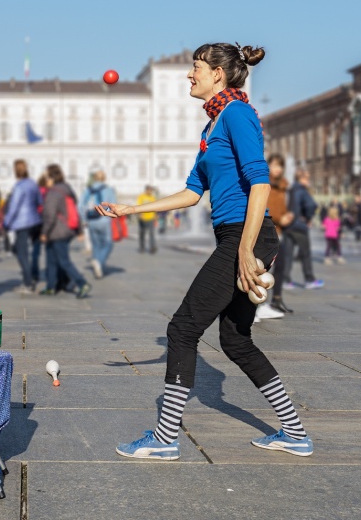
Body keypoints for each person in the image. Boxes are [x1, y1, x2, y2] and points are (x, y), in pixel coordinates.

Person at [98, 42, 312, 460]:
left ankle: (164, 439)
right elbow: (192, 193)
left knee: (181, 329)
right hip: (237, 238)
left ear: (219, 73)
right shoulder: (211, 128)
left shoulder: (238, 114)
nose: (189, 75)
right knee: (235, 342)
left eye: (196, 67)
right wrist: (132, 207)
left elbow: (260, 183)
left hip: (245, 237)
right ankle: (295, 432)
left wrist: (246, 250)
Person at [40, 164, 91, 299]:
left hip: (57, 231)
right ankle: (51, 286)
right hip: (66, 229)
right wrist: (79, 229)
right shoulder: (67, 189)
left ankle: (82, 283)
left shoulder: (53, 192)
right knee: (51, 258)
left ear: (52, 177)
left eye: (47, 177)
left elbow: (49, 215)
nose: (45, 179)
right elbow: (75, 210)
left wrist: (44, 232)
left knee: (63, 261)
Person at [3, 160, 42, 293]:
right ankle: (33, 276)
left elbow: (13, 207)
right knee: (29, 252)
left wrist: (6, 222)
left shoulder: (19, 186)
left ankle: (28, 283)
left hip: (21, 223)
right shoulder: (33, 184)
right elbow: (39, 201)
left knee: (21, 253)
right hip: (35, 221)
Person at [283, 168, 323, 290]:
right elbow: (311, 205)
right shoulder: (302, 190)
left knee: (288, 254)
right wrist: (309, 218)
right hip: (299, 226)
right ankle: (309, 279)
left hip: (288, 225)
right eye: (307, 178)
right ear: (302, 178)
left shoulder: (290, 189)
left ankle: (285, 280)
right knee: (305, 254)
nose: (308, 181)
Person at [264, 153, 293, 315]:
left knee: (281, 266)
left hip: (280, 232)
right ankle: (257, 304)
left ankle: (277, 299)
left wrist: (288, 215)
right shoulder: (265, 184)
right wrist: (281, 218)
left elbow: (283, 206)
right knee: (264, 269)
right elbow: (266, 207)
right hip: (267, 232)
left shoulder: (283, 185)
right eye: (274, 165)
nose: (277, 169)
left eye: (280, 166)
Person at [81, 170, 116, 279]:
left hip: (91, 220)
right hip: (104, 220)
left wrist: (84, 219)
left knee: (96, 245)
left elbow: (80, 205)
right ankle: (98, 262)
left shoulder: (88, 190)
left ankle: (98, 270)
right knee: (108, 244)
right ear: (104, 178)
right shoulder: (109, 190)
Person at [136, 185, 158, 254]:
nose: (150, 192)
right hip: (143, 218)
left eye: (151, 190)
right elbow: (138, 205)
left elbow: (155, 207)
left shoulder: (152, 197)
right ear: (146, 190)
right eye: (150, 190)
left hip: (150, 218)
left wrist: (155, 216)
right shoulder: (141, 196)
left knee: (151, 233)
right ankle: (142, 247)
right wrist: (140, 214)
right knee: (142, 233)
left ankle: (152, 248)